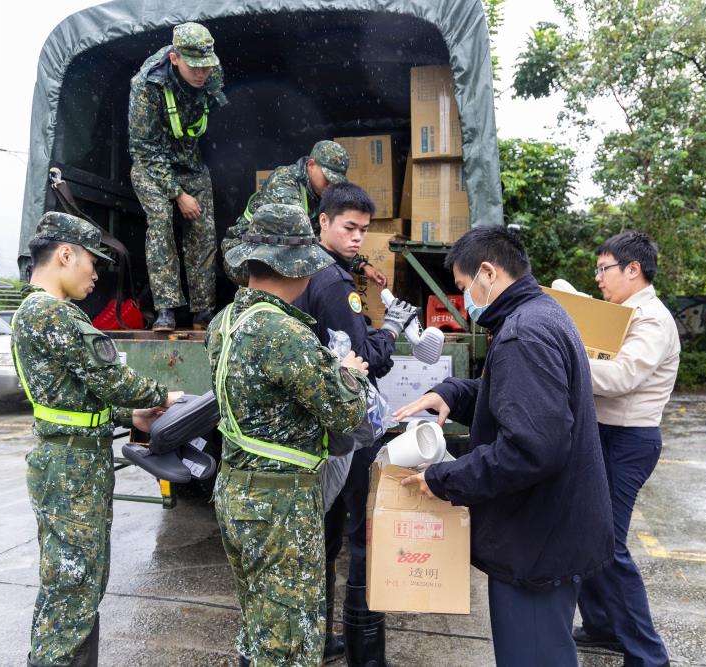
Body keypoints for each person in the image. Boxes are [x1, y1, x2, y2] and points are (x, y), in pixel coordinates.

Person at [395, 225, 614, 667]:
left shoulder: (522, 335)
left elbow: (532, 447)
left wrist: (444, 479)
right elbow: (523, 401)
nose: (465, 300)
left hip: (537, 544)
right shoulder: (543, 313)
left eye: (462, 287)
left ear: (488, 273)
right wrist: (454, 393)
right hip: (555, 530)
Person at [207, 203, 372, 667]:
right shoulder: (283, 332)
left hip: (237, 491)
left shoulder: (226, 322)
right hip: (280, 505)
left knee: (259, 624)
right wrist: (349, 374)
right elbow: (344, 412)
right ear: (295, 268)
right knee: (291, 643)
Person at [14, 212, 182, 667]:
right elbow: (112, 377)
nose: (96, 274)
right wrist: (164, 397)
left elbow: (78, 400)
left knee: (79, 583)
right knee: (71, 589)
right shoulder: (50, 313)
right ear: (65, 254)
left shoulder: (37, 312)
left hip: (70, 460)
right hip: (71, 468)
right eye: (92, 261)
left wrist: (132, 415)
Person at [293, 183, 418, 665]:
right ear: (322, 221)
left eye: (364, 231)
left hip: (320, 427)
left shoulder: (305, 272)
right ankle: (367, 657)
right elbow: (364, 358)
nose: (357, 239)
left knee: (326, 531)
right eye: (349, 228)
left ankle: (323, 640)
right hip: (349, 426)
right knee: (365, 538)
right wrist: (387, 331)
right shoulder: (333, 283)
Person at [572, 231, 679, 667]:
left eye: (604, 269)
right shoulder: (621, 313)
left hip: (628, 440)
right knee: (589, 532)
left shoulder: (651, 319)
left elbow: (622, 378)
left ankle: (649, 655)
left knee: (608, 544)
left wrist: (569, 358)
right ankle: (603, 625)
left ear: (633, 269)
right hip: (605, 434)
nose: (599, 278)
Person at [129, 22, 227, 332]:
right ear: (175, 59)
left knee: (203, 230)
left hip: (190, 162)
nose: (203, 73)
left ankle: (202, 312)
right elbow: (143, 149)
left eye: (207, 67)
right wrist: (177, 194)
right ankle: (166, 309)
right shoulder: (146, 86)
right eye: (195, 67)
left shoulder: (212, 70)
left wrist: (189, 189)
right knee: (161, 221)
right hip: (152, 163)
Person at [221, 141, 389, 289]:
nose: (330, 186)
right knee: (313, 272)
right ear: (311, 165)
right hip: (243, 254)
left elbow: (331, 236)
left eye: (335, 182)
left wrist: (362, 265)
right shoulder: (284, 182)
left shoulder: (322, 192)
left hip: (280, 252)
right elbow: (300, 243)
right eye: (327, 178)